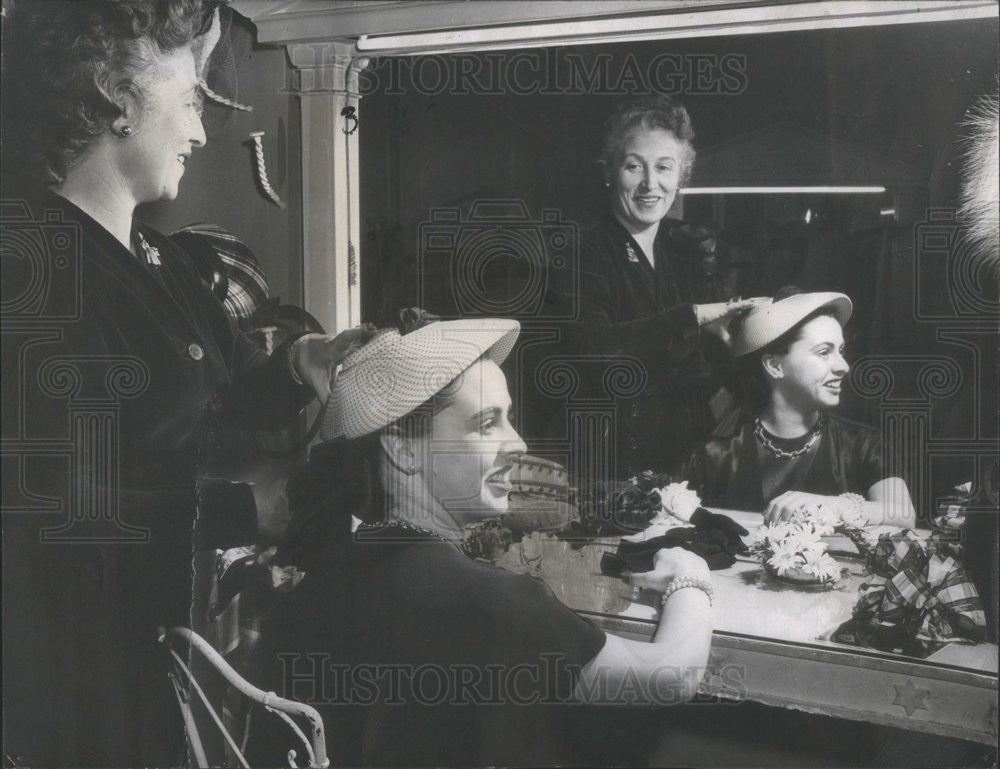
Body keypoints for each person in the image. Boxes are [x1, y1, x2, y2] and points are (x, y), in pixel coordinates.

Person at [0, 3, 371, 765]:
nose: (202, 131)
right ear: (116, 96)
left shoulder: (162, 263)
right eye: (193, 98)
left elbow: (220, 397)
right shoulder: (33, 273)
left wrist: (300, 367)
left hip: (157, 641)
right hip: (76, 679)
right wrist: (249, 508)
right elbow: (65, 520)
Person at [253, 314, 714, 767]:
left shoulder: (329, 570)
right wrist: (690, 580)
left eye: (508, 419)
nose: (516, 443)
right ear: (402, 448)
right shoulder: (484, 601)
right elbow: (671, 676)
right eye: (486, 423)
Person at [553, 97, 764, 476]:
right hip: (607, 462)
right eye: (634, 166)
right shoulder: (583, 250)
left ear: (680, 177)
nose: (651, 184)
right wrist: (693, 317)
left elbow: (703, 370)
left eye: (664, 168)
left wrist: (724, 340)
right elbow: (591, 346)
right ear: (610, 172)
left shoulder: (682, 254)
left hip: (682, 460)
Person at [684, 287, 916, 527]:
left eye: (841, 351)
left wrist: (834, 505)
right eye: (824, 352)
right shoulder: (714, 454)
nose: (843, 366)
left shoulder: (864, 445)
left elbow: (904, 516)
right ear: (775, 366)